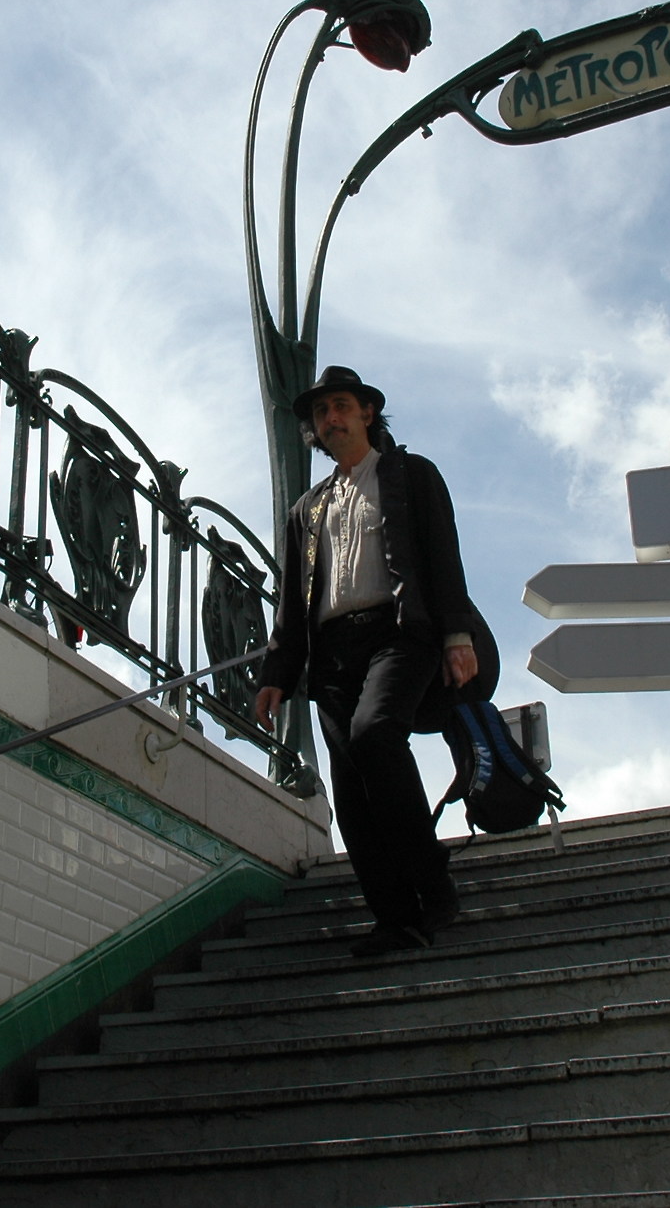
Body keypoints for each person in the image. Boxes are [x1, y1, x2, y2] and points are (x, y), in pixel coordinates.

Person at [253, 366, 480, 957]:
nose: (331, 418)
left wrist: (456, 634)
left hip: (400, 634)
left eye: (342, 406)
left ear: (367, 413)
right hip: (332, 653)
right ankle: (394, 918)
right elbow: (291, 600)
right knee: (351, 785)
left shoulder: (411, 475)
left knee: (376, 734)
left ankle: (431, 877)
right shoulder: (309, 509)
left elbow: (442, 556)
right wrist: (278, 674)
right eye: (322, 411)